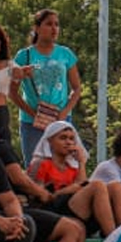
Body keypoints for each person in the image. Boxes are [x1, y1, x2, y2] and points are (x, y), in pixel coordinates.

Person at [26, 121, 121, 237]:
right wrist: (64, 191)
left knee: (116, 186)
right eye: (63, 138)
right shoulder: (41, 164)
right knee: (97, 185)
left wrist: (81, 162)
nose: (68, 142)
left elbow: (81, 186)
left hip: (74, 208)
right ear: (50, 141)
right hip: (52, 212)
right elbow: (36, 198)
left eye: (72, 139)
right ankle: (113, 239)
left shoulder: (72, 168)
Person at [11, 8, 81, 160]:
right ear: (37, 28)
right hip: (32, 122)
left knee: (65, 164)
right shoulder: (24, 55)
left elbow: (77, 88)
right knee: (35, 165)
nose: (54, 28)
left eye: (57, 24)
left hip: (61, 119)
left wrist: (65, 111)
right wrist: (32, 113)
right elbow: (12, 92)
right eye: (49, 24)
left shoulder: (65, 54)